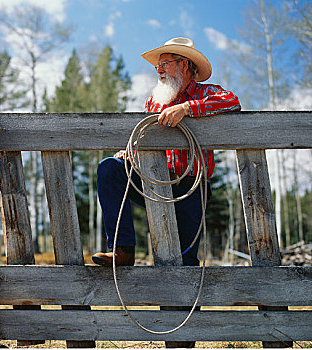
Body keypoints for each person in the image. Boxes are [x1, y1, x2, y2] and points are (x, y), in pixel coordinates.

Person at [92, 37, 241, 267]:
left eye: (165, 64)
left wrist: (187, 108)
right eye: (157, 66)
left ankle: (184, 303)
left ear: (184, 65)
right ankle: (122, 250)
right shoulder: (155, 101)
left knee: (184, 260)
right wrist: (129, 152)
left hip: (190, 188)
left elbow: (231, 101)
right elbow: (144, 136)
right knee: (109, 168)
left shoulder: (206, 92)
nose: (159, 70)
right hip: (154, 182)